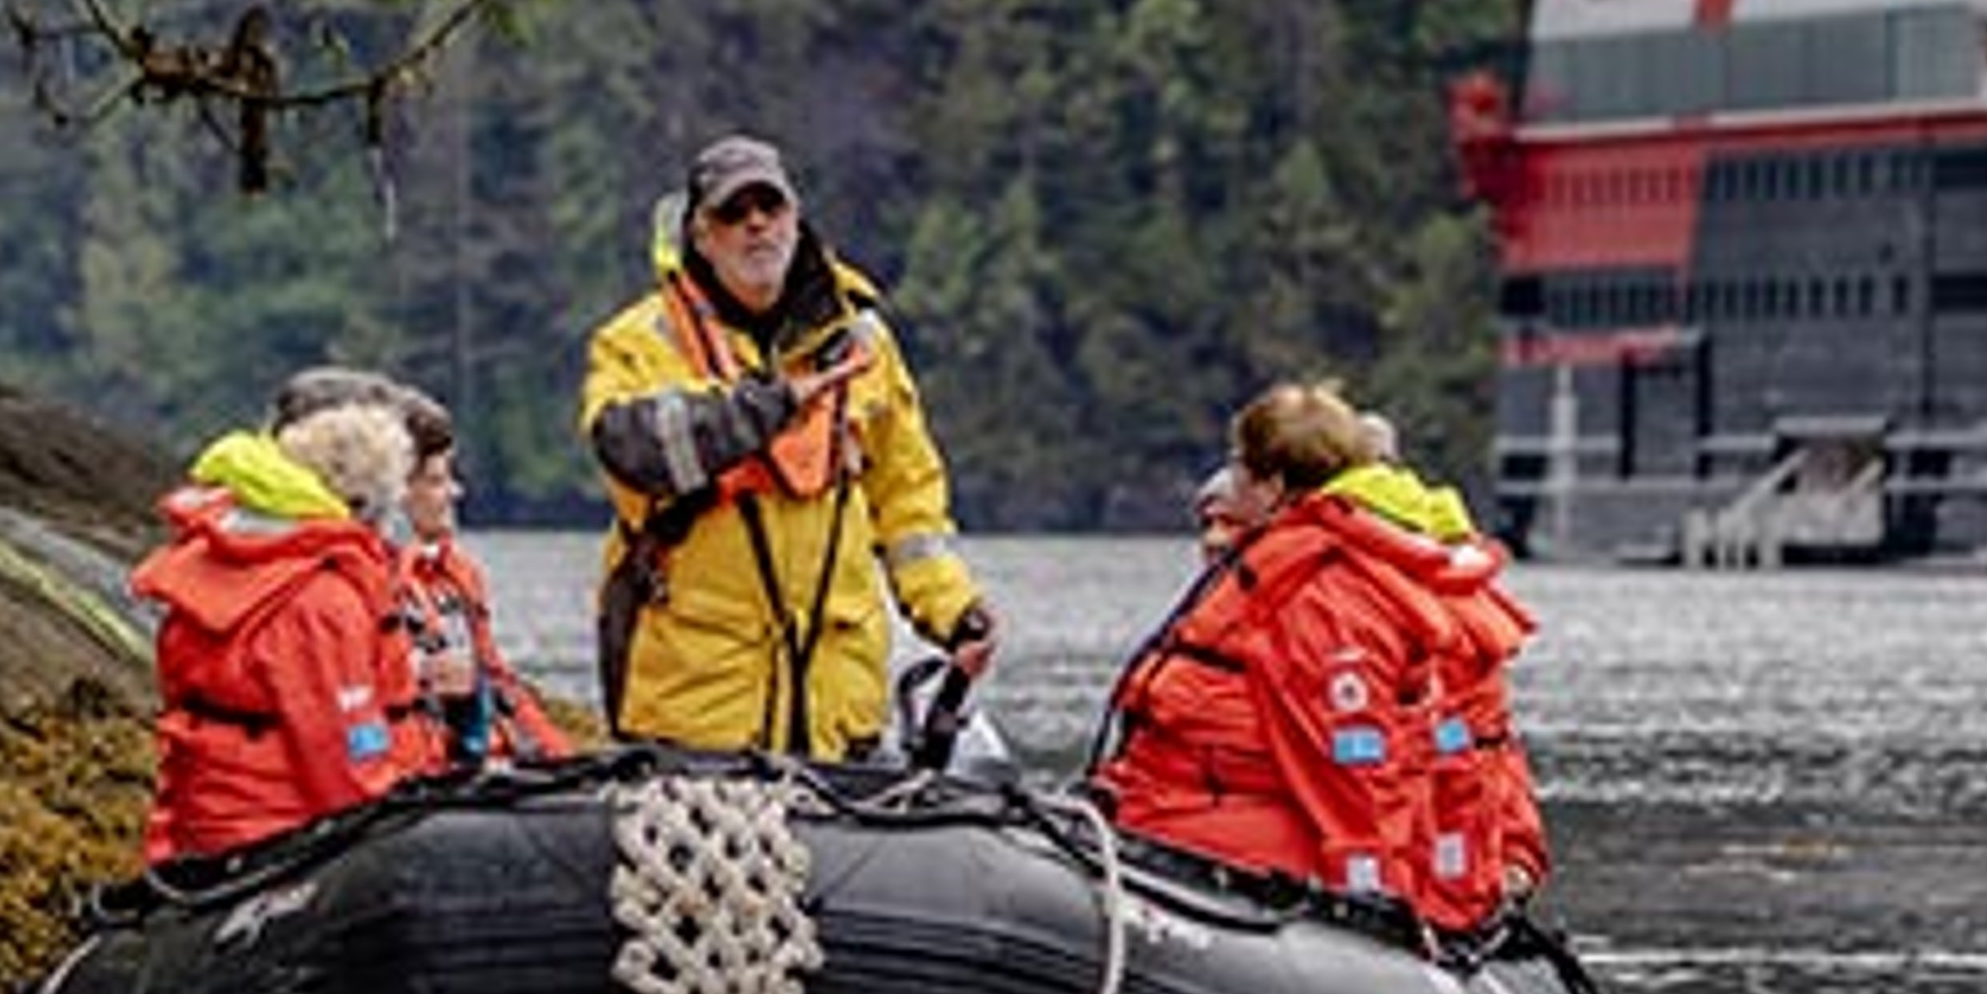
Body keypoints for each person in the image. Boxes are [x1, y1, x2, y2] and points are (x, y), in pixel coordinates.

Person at [577, 131, 995, 755]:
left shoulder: (863, 343)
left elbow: (908, 504)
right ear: (701, 235)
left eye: (769, 208)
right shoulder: (641, 341)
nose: (756, 226)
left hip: (835, 705)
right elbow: (631, 451)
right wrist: (770, 404)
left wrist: (953, 608)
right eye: (732, 213)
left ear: (796, 219)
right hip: (701, 709)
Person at [1089, 380, 1548, 932]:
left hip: (1227, 835)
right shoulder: (1320, 571)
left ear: (1273, 484)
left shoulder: (1322, 597)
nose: (1220, 525)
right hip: (1177, 811)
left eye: (1241, 474)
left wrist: (1373, 907)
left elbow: (1352, 773)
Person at [133, 386, 437, 865]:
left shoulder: (222, 562)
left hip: (206, 827)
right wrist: (402, 834)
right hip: (282, 835)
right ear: (362, 504)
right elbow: (344, 756)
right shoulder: (320, 601)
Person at [276, 365, 575, 771]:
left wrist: (562, 765)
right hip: (383, 797)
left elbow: (502, 693)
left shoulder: (451, 574)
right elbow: (349, 744)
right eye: (436, 479)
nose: (454, 492)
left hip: (439, 775)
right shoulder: (326, 586)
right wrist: (415, 678)